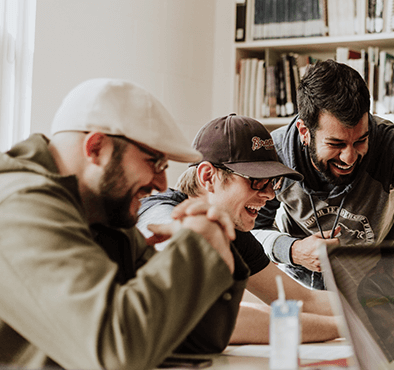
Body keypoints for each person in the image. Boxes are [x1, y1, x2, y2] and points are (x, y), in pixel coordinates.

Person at [0, 79, 249, 370]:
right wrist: (197, 245)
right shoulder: (18, 206)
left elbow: (192, 341)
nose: (162, 183)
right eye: (154, 162)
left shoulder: (101, 213)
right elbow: (116, 352)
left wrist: (214, 243)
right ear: (96, 147)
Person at [252, 59, 394, 313]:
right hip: (306, 299)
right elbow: (250, 232)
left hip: (383, 295)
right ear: (304, 131)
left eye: (360, 141)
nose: (349, 157)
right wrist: (292, 250)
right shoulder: (275, 157)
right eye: (336, 144)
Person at [137, 114, 341, 344]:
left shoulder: (233, 232)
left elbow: (301, 299)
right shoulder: (158, 214)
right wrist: (346, 328)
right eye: (256, 181)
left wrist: (374, 309)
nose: (270, 195)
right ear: (208, 177)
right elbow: (213, 318)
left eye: (272, 182)